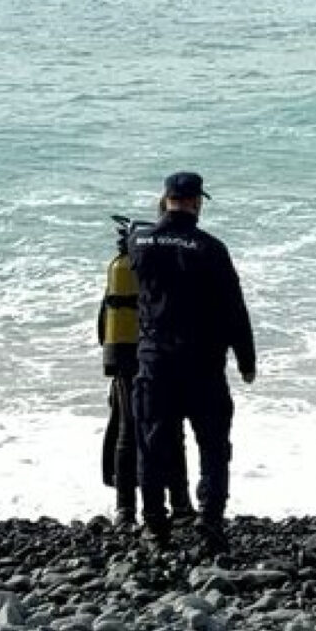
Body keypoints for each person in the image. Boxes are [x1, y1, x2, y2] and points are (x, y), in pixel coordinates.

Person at [128, 172, 256, 552]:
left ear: (165, 199)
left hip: (155, 361)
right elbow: (235, 309)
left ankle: (154, 525)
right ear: (197, 202)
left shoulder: (140, 242)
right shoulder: (210, 248)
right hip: (202, 363)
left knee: (153, 443)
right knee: (213, 445)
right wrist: (246, 359)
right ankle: (210, 521)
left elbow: (139, 246)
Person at [98, 214, 194, 528]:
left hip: (122, 356)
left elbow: (104, 322)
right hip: (159, 357)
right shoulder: (166, 265)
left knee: (128, 430)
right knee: (171, 431)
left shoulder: (120, 268)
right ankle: (180, 505)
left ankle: (125, 510)